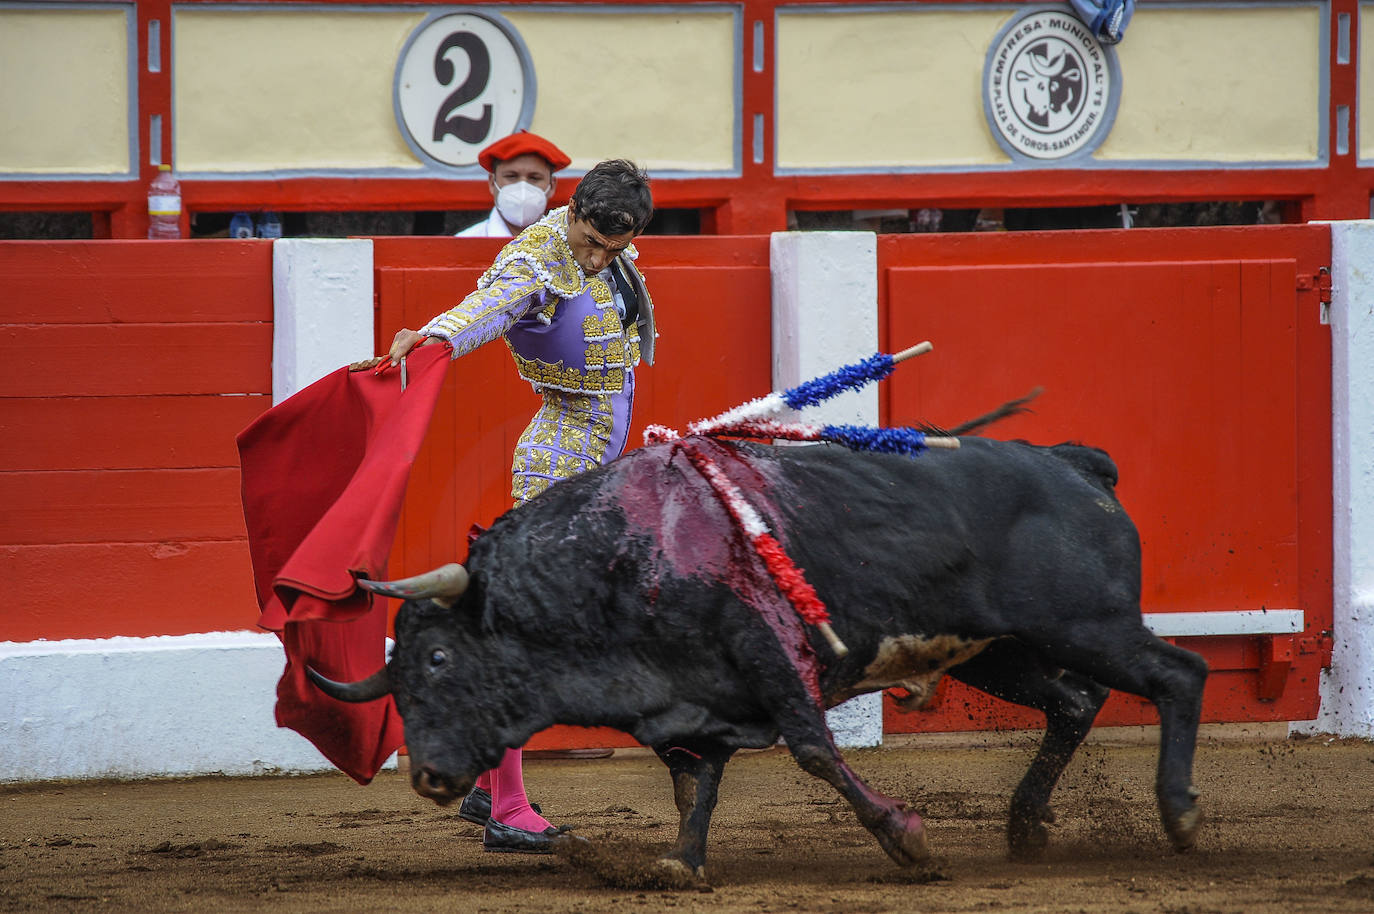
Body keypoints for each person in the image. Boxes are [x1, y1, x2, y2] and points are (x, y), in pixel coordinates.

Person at [351, 159, 655, 854]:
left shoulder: (608, 238)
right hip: (560, 459)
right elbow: (488, 307)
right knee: (526, 633)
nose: (600, 258)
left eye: (614, 249)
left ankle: (493, 786)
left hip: (595, 460)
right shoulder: (534, 263)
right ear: (571, 211)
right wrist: (432, 338)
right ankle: (507, 807)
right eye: (592, 243)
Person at [457, 131, 571, 237]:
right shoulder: (463, 241)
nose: (523, 187)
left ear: (552, 186)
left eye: (534, 178)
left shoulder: (567, 245)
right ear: (492, 183)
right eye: (511, 176)